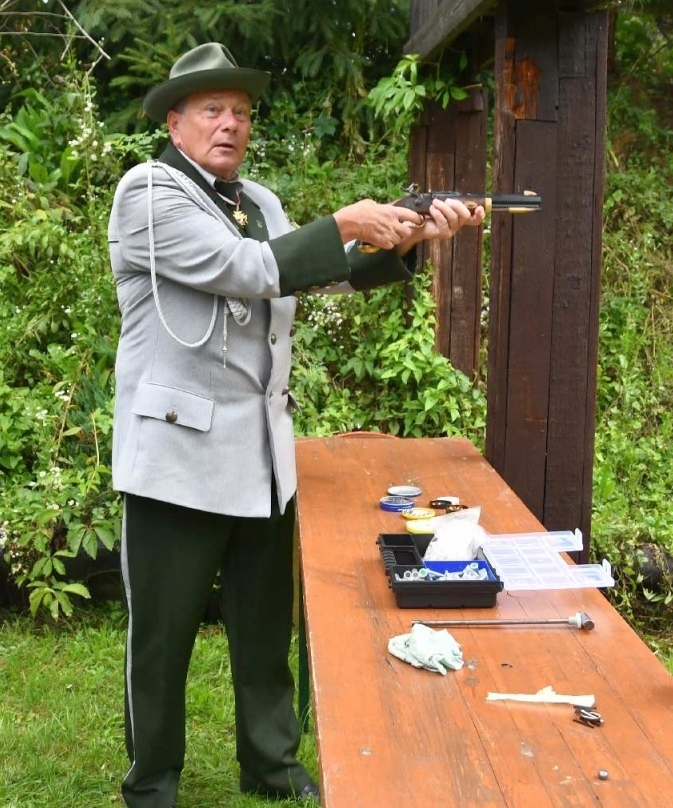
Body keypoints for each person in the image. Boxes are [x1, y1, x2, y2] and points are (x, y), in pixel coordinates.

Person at [107, 43, 482, 808]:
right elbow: (246, 268)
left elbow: (325, 270)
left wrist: (407, 238)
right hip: (177, 453)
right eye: (212, 109)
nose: (230, 124)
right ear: (173, 120)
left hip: (258, 456)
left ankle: (271, 765)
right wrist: (345, 219)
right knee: (161, 639)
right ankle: (151, 784)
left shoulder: (261, 201)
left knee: (264, 630)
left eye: (241, 111)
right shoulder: (148, 192)